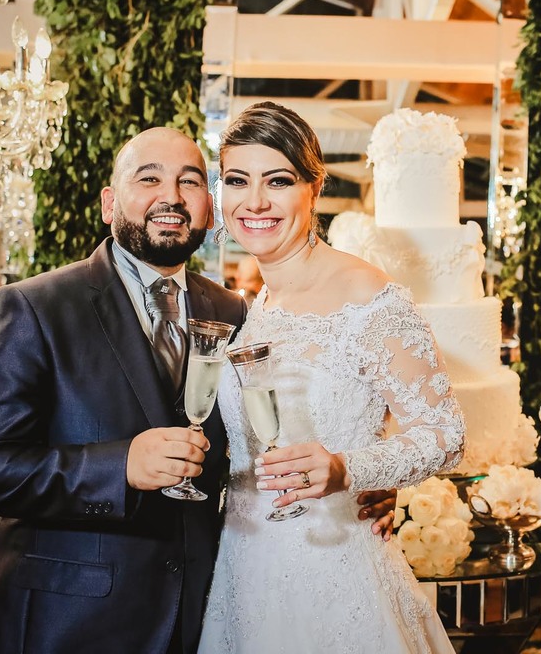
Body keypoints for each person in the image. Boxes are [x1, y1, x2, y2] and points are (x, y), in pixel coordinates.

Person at [0, 127, 398, 654]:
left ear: (209, 208)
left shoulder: (236, 312)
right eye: (150, 179)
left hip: (200, 614)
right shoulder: (34, 306)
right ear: (109, 203)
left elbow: (261, 437)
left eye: (190, 181)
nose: (171, 196)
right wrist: (117, 467)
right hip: (66, 620)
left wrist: (361, 478)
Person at [198, 102, 465, 653]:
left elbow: (446, 433)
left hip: (337, 569)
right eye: (237, 181)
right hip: (247, 567)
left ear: (313, 188)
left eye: (278, 181)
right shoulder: (256, 307)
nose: (256, 202)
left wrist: (352, 469)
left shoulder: (368, 296)